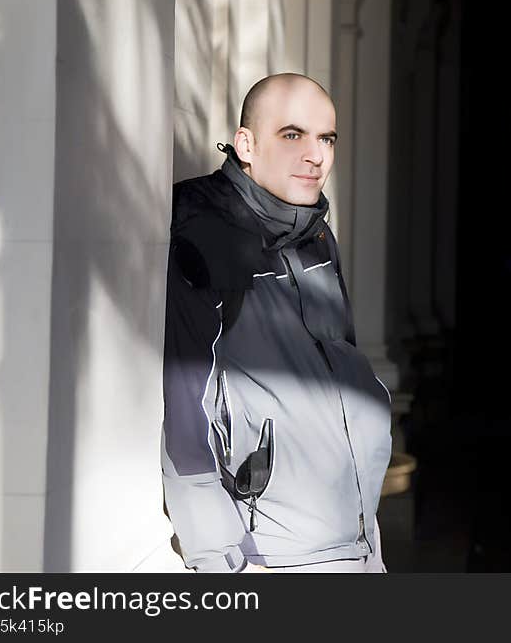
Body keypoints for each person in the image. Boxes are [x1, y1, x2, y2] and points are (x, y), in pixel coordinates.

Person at [160, 73, 392, 573]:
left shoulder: (315, 233)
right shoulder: (202, 232)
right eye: (293, 135)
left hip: (353, 532)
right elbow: (184, 400)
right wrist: (213, 553)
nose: (316, 155)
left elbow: (339, 358)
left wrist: (368, 532)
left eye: (326, 138)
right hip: (271, 554)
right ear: (246, 144)